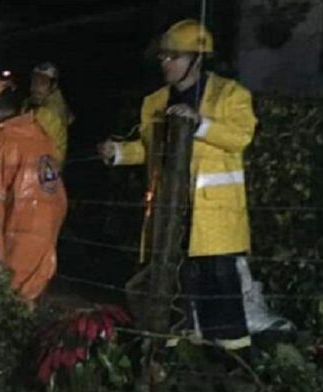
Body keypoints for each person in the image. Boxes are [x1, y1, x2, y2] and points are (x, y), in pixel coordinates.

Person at [98, 19, 257, 351]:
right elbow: (149, 149)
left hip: (213, 215)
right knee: (170, 280)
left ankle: (233, 356)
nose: (165, 63)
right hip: (169, 211)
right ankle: (171, 350)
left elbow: (240, 136)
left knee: (218, 281)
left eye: (174, 56)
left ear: (197, 59)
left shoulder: (231, 95)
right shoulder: (154, 102)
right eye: (163, 56)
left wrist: (199, 123)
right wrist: (119, 153)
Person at [0, 73, 68, 303]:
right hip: (47, 229)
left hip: (20, 235)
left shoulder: (3, 143)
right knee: (33, 301)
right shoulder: (39, 135)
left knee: (11, 306)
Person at [23, 62, 74, 166]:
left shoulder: (48, 113)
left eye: (42, 82)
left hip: (42, 171)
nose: (35, 87)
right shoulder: (34, 102)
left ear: (53, 85)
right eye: (34, 81)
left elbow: (24, 143)